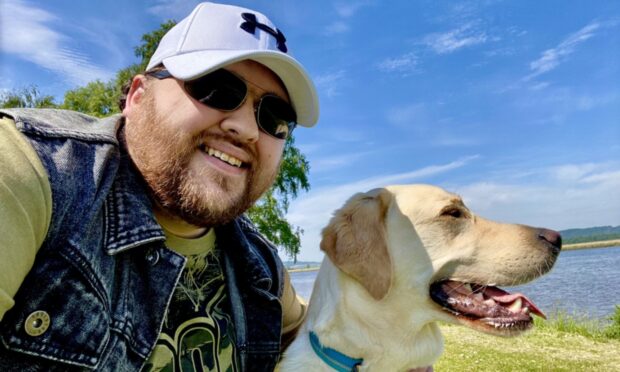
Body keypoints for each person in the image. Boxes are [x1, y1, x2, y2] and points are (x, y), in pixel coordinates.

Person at [0, 2, 319, 371]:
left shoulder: (261, 270)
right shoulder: (34, 170)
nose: (246, 129)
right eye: (216, 88)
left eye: (275, 117)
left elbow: (326, 338)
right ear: (137, 97)